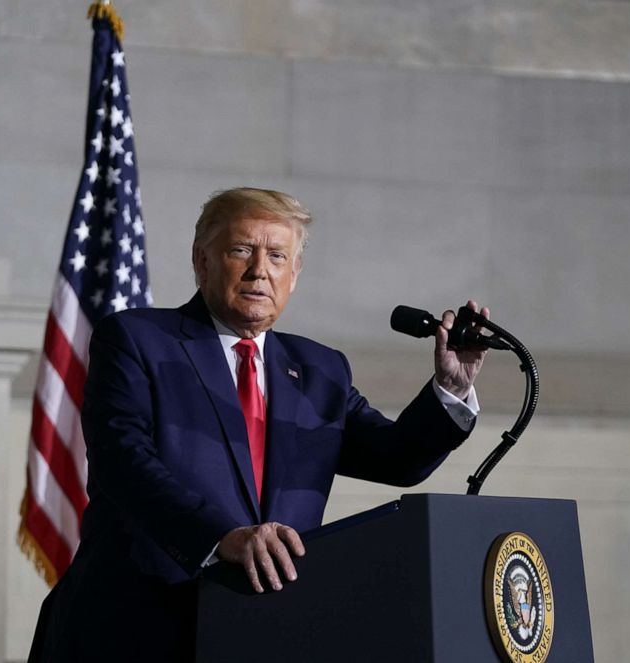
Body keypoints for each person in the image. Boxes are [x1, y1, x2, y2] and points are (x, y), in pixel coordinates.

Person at [29, 188, 488, 661]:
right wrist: (219, 537)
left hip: (262, 634)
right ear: (201, 261)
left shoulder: (320, 371)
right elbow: (123, 462)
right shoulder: (137, 340)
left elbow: (398, 457)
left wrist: (449, 389)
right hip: (133, 631)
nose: (259, 270)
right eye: (241, 250)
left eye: (277, 256)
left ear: (295, 275)